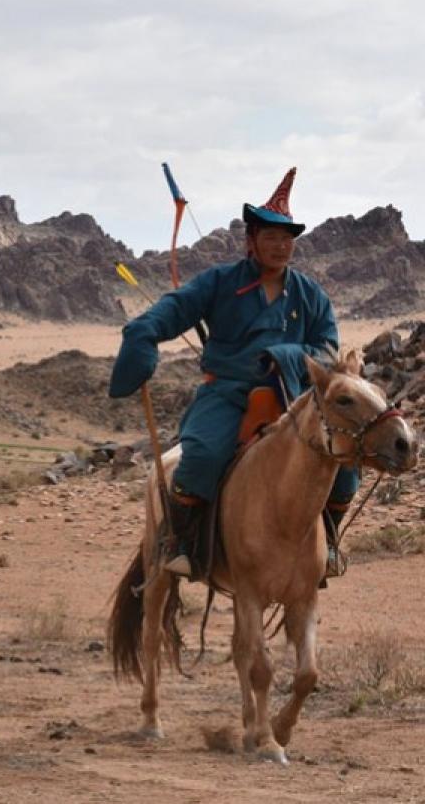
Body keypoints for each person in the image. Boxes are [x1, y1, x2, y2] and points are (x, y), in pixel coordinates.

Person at [109, 168, 359, 579]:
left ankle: (327, 545)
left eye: (287, 239)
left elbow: (329, 349)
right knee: (203, 456)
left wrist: (284, 355)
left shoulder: (310, 294)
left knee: (346, 461)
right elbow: (174, 309)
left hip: (294, 397)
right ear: (251, 242)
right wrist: (144, 333)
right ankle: (182, 543)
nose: (280, 247)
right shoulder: (219, 281)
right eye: (271, 238)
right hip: (227, 394)